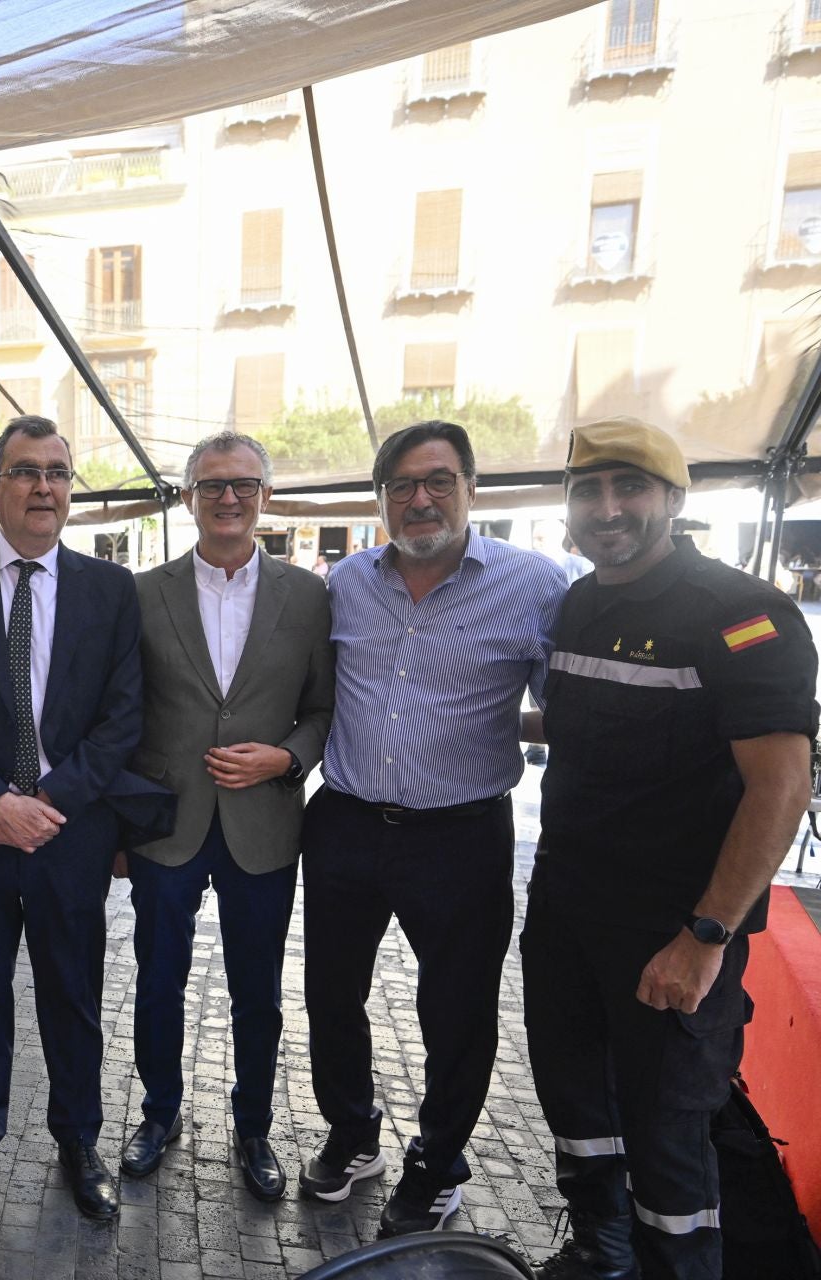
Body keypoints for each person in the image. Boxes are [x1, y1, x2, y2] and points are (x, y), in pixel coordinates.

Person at [523, 419, 817, 1280]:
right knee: (574, 1099)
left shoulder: (742, 615)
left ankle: (675, 1268)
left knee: (669, 1132)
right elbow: (584, 733)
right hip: (569, 912)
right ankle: (598, 1253)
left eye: (630, 488)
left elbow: (781, 787)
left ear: (674, 500)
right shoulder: (580, 603)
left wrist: (707, 938)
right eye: (589, 490)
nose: (608, 509)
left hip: (674, 927)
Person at [298, 421, 568, 1236]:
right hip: (344, 822)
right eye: (402, 485)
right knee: (329, 996)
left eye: (438, 481)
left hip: (460, 835)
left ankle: (439, 1162)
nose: (420, 499)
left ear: (471, 489)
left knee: (456, 1009)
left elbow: (573, 710)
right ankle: (353, 1133)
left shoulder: (536, 587)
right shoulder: (344, 583)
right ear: (380, 498)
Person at [0, 415, 166, 1224]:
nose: (43, 485)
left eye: (57, 471)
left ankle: (78, 1140)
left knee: (73, 993)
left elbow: (124, 718)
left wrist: (46, 804)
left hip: (66, 833)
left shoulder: (110, 588)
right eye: (24, 471)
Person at [120, 432, 334, 1201]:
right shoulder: (142, 593)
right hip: (165, 825)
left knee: (259, 990)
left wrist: (287, 758)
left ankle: (253, 1127)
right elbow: (122, 711)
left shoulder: (309, 596)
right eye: (212, 486)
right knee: (157, 981)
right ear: (188, 497)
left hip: (265, 825)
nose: (229, 499)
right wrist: (118, 825)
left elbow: (322, 707)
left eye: (243, 485)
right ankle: (158, 1111)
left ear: (265, 496)